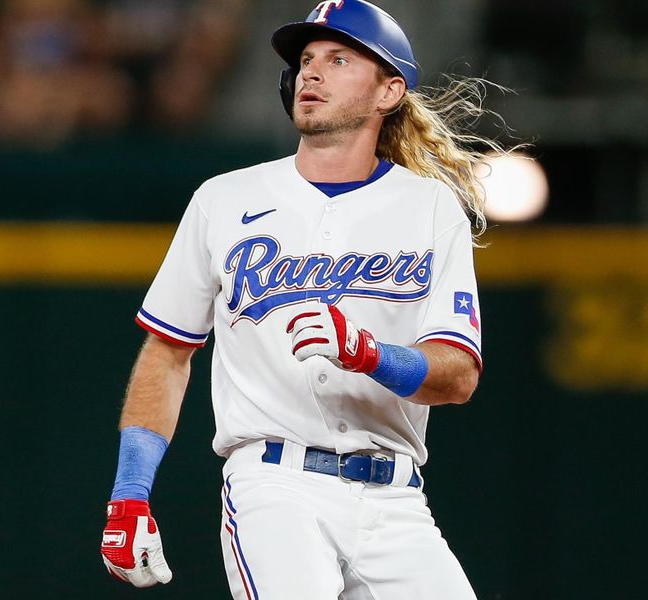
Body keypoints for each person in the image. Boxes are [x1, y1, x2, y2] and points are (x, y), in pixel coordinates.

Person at [101, 1, 503, 597]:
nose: (311, 73)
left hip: (395, 500)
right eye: (306, 60)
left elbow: (458, 375)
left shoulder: (430, 208)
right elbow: (168, 354)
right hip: (275, 487)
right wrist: (129, 495)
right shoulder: (225, 199)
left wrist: (368, 353)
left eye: (339, 59)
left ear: (389, 91)